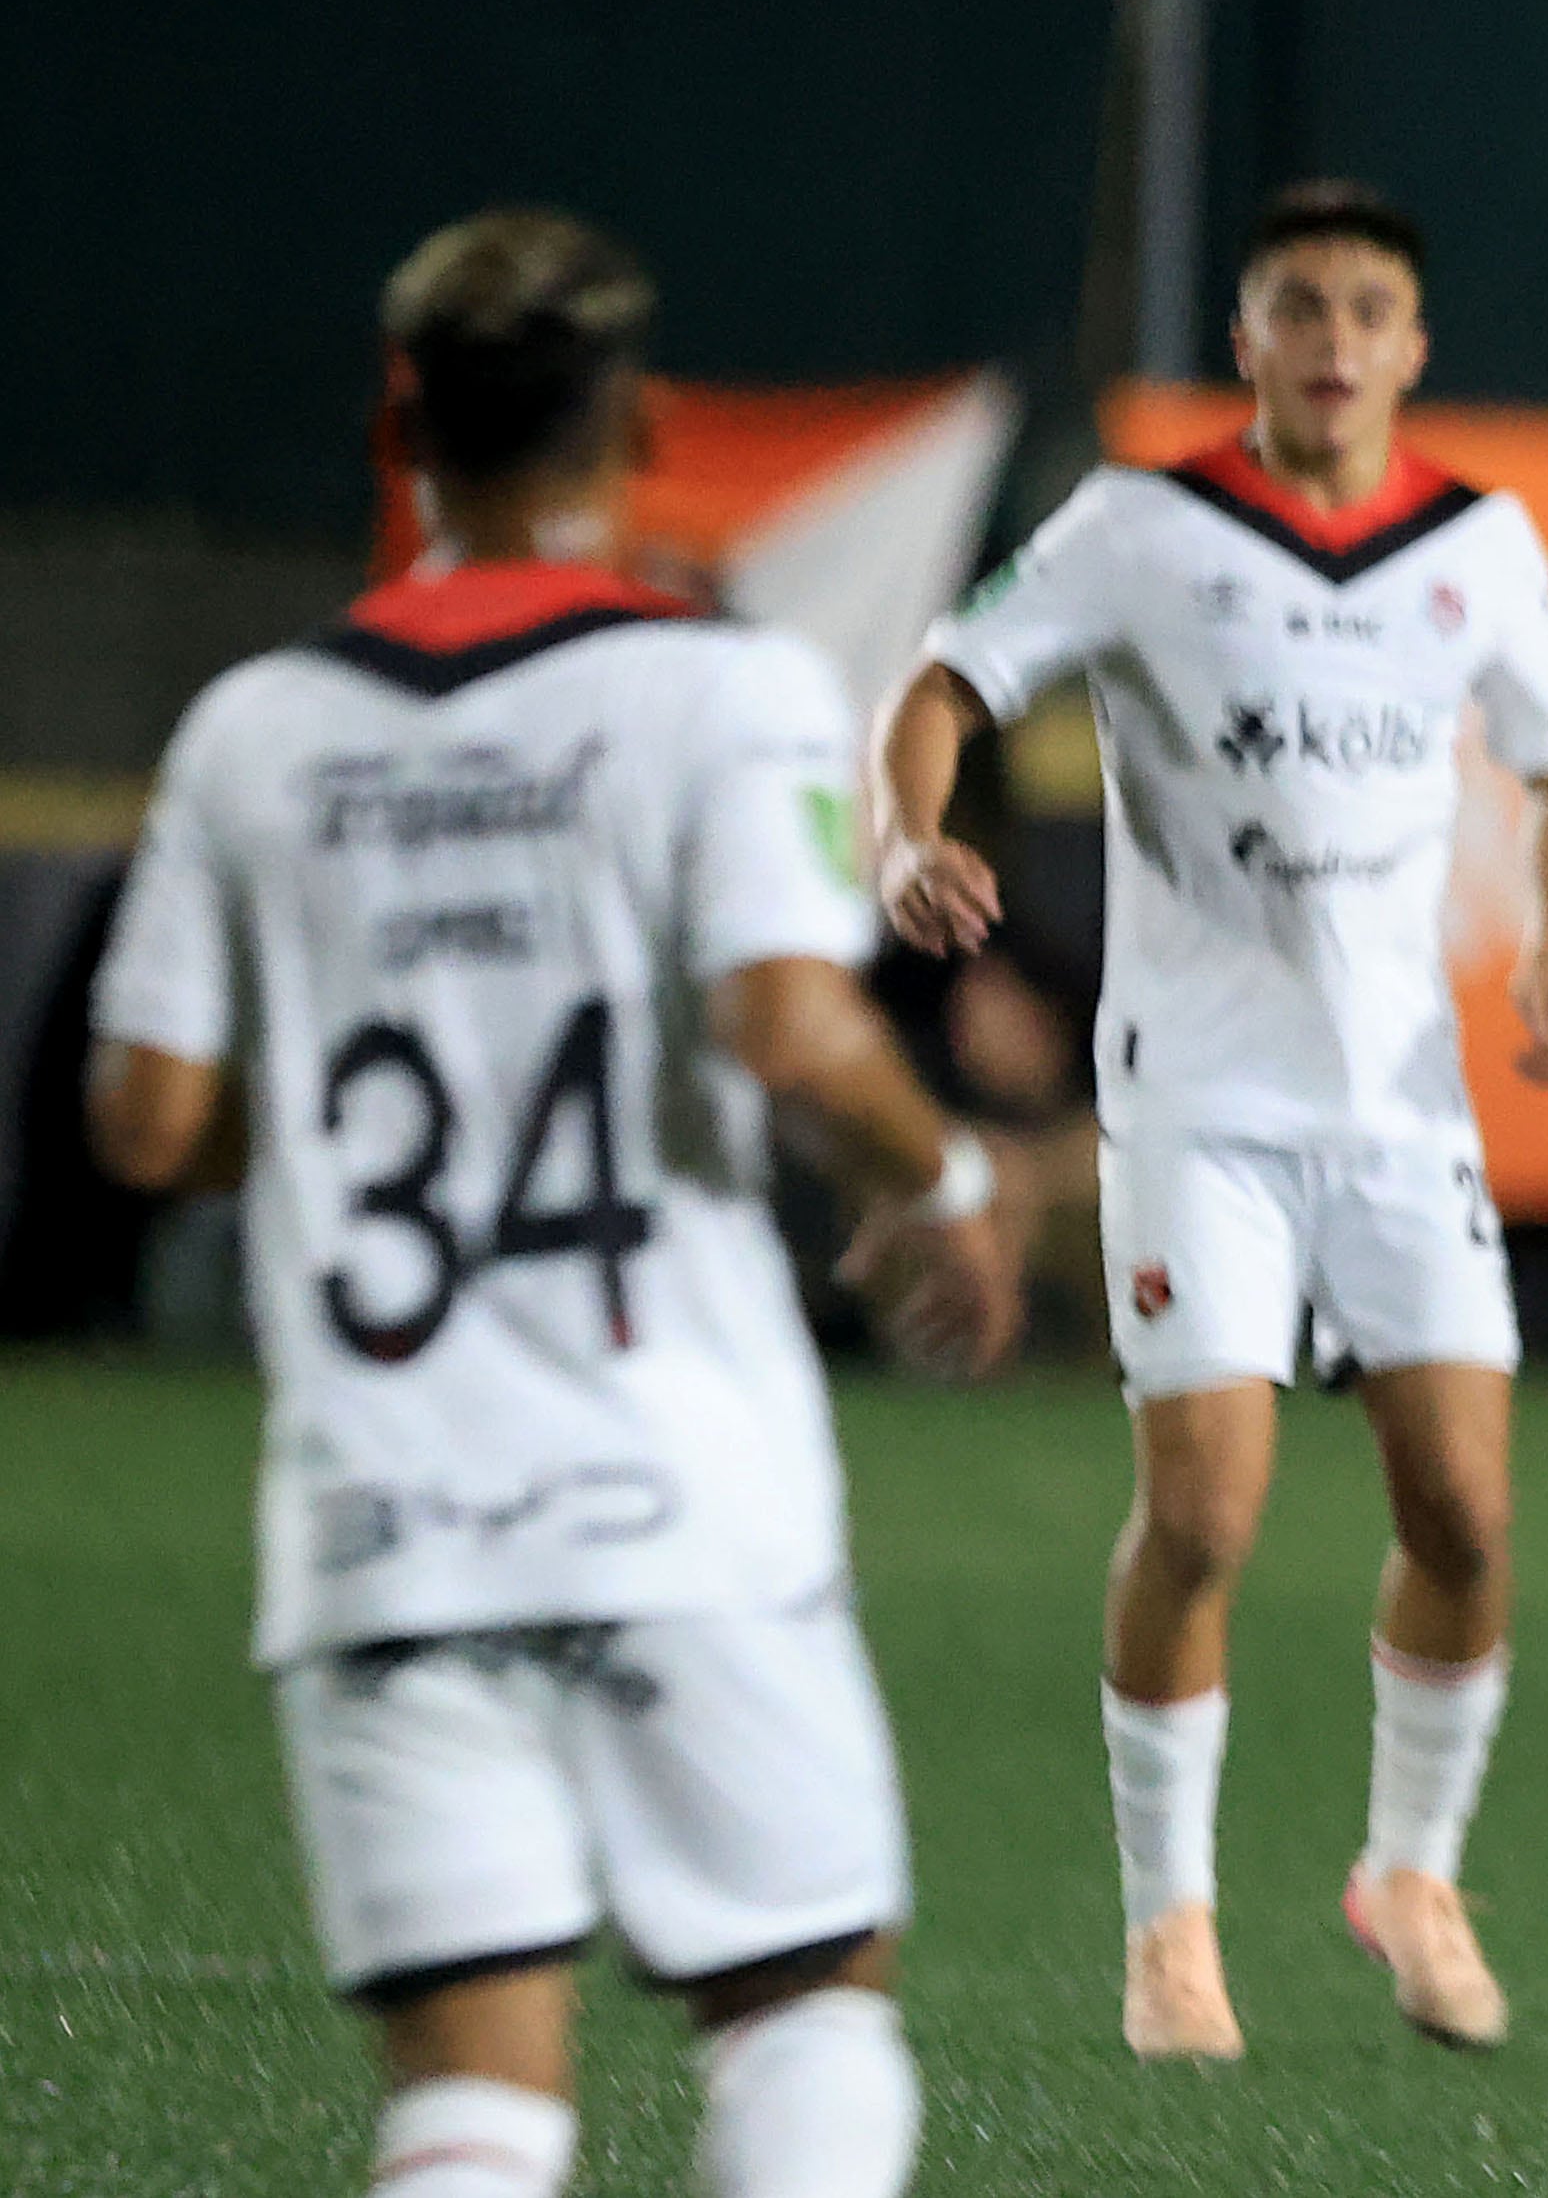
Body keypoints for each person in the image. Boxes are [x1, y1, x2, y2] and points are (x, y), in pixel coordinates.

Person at [84, 211, 1022, 2198]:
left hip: (381, 1507)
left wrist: (337, 1124)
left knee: (475, 2105)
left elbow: (148, 1120)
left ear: (402, 425)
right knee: (801, 2006)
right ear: (639, 424)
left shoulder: (255, 729)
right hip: (672, 1484)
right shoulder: (721, 690)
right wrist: (942, 1175)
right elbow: (786, 1024)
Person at [871, 180, 1548, 2059]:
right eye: (1300, 304)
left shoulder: (1477, 546)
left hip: (1402, 1112)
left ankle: (1410, 1873)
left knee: (1466, 1509)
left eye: (1370, 305)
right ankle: (1168, 1926)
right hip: (1198, 1106)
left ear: (1414, 345)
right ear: (1251, 338)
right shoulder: (1143, 528)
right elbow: (946, 682)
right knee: (1201, 1515)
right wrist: (906, 830)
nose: (1337, 338)